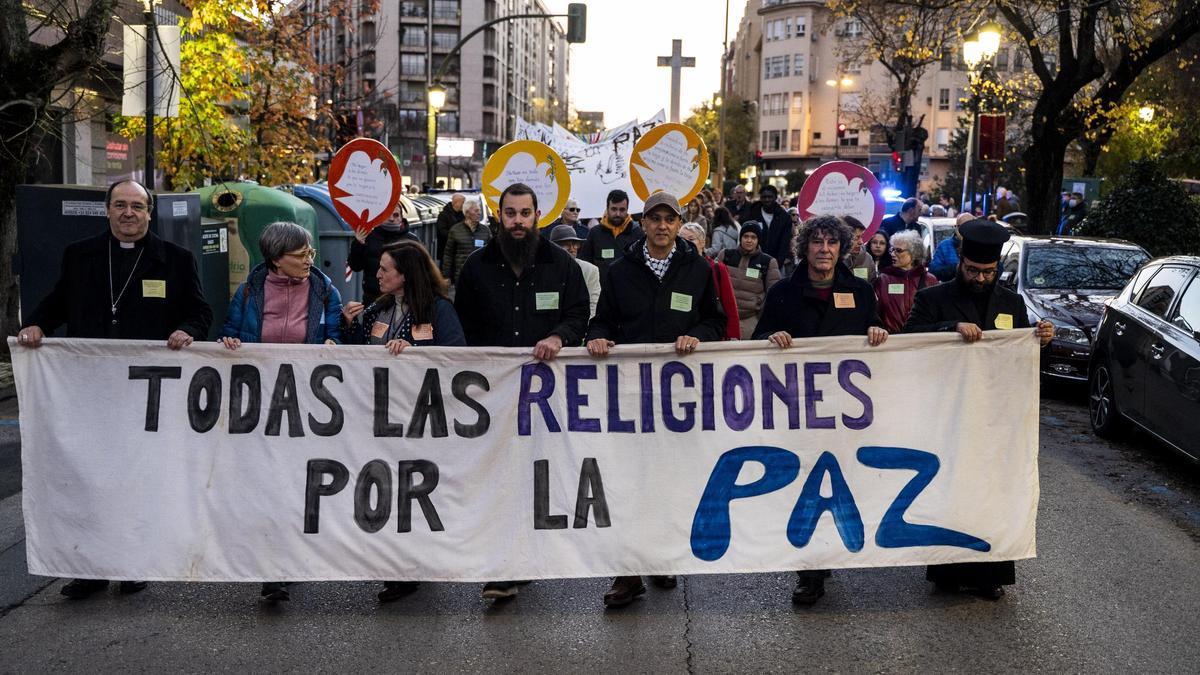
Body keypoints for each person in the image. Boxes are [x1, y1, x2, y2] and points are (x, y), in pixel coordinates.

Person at [17, 179, 213, 600]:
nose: (129, 213)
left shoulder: (175, 260)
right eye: (121, 205)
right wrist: (35, 325)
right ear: (108, 211)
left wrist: (186, 330)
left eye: (137, 207)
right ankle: (90, 569)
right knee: (91, 480)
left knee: (139, 480)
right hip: (92, 393)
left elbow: (199, 311)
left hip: (148, 396)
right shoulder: (81, 255)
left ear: (149, 212)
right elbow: (57, 303)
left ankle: (134, 563)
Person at [586, 192, 726, 608]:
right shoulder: (619, 271)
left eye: (670, 219)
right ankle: (628, 574)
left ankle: (662, 556)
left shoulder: (697, 269)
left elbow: (715, 320)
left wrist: (697, 334)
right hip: (628, 394)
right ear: (641, 223)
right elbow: (602, 319)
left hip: (677, 397)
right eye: (654, 218)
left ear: (679, 223)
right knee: (628, 482)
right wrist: (597, 336)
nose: (662, 226)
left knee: (668, 480)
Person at [903, 219, 1053, 600]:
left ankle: (991, 575)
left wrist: (1041, 338)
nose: (981, 279)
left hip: (995, 416)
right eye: (973, 271)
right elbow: (909, 340)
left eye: (988, 272)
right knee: (951, 491)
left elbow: (1022, 351)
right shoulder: (932, 298)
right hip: (948, 415)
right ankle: (948, 572)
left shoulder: (1011, 302)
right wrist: (950, 328)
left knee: (992, 493)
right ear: (960, 264)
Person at [454, 183, 590, 600]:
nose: (517, 222)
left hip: (545, 395)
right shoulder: (477, 266)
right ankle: (503, 563)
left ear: (537, 215)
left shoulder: (561, 265)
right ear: (499, 216)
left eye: (525, 213)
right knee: (496, 475)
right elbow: (462, 325)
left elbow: (578, 313)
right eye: (510, 214)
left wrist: (558, 337)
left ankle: (531, 555)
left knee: (540, 474)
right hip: (491, 394)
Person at [751, 214, 888, 606]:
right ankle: (809, 570)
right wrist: (768, 338)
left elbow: (873, 330)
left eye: (831, 243)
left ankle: (833, 550)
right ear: (804, 247)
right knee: (806, 487)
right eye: (817, 242)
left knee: (844, 482)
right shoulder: (781, 293)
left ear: (842, 248)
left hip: (845, 413)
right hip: (798, 410)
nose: (824, 249)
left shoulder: (861, 292)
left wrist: (877, 332)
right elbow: (758, 338)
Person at [219, 221, 343, 604]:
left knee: (297, 483)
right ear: (275, 259)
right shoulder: (250, 291)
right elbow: (231, 330)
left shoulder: (325, 291)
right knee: (267, 484)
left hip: (308, 404)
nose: (310, 259)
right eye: (300, 254)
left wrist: (332, 344)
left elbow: (338, 336)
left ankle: (287, 562)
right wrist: (230, 342)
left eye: (310, 251)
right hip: (260, 404)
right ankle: (271, 566)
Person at [341, 242, 465, 603]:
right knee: (391, 489)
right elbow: (360, 357)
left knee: (417, 490)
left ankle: (414, 563)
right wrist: (348, 327)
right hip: (383, 416)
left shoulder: (438, 310)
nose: (377, 275)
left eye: (384, 269)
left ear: (405, 275)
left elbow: (456, 353)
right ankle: (398, 564)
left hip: (421, 417)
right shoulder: (379, 308)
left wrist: (417, 354)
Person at [348, 203, 421, 305]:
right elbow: (355, 266)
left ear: (401, 217)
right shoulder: (369, 237)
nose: (391, 219)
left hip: (403, 301)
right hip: (374, 299)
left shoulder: (411, 240)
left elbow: (419, 273)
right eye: (387, 214)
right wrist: (358, 244)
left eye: (396, 215)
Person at [680, 222, 740, 340]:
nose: (686, 243)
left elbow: (729, 306)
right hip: (683, 336)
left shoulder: (717, 268)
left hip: (710, 334)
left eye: (691, 239)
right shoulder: (676, 269)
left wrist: (733, 337)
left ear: (702, 243)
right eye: (681, 239)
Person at [721, 221, 781, 339]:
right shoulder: (726, 255)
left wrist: (762, 316)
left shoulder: (767, 262)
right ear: (740, 238)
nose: (749, 240)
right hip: (724, 319)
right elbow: (714, 285)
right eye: (746, 236)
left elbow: (774, 293)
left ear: (758, 240)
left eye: (753, 237)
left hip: (751, 320)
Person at [874, 230, 938, 333]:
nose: (893, 254)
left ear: (914, 253)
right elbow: (875, 313)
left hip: (921, 341)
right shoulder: (883, 279)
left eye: (898, 250)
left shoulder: (929, 280)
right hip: (891, 342)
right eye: (892, 250)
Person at [579, 189, 642, 282]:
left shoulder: (637, 233)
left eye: (622, 210)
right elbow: (585, 263)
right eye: (614, 209)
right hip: (601, 291)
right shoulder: (595, 233)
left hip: (629, 290)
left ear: (627, 210)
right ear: (607, 208)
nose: (618, 214)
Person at [549, 223, 601, 318]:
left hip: (581, 326)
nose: (572, 249)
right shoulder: (544, 270)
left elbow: (593, 304)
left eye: (575, 244)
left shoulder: (590, 270)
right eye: (566, 244)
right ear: (554, 247)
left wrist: (583, 328)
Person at [737, 185, 792, 270]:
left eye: (770, 197)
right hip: (753, 262)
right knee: (753, 281)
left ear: (775, 198)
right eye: (764, 197)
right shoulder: (752, 214)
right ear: (760, 198)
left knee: (773, 282)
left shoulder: (784, 217)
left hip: (776, 263)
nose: (767, 200)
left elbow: (784, 243)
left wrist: (777, 264)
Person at [440, 197, 490, 285]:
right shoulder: (455, 230)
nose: (479, 213)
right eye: (476, 211)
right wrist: (446, 276)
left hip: (480, 276)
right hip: (461, 276)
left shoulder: (485, 230)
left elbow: (492, 252)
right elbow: (448, 255)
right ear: (467, 213)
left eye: (479, 211)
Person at [930, 213, 973, 281]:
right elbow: (933, 271)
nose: (964, 230)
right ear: (956, 227)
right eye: (961, 226)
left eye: (969, 227)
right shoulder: (944, 246)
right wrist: (955, 268)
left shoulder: (978, 246)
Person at [840, 216, 877, 282]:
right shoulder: (832, 259)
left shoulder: (868, 258)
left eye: (861, 237)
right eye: (856, 238)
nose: (861, 242)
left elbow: (872, 286)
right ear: (844, 237)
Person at [434, 193, 465, 262]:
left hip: (460, 251)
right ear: (456, 203)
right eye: (463, 202)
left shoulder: (463, 215)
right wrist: (457, 236)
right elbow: (442, 231)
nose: (464, 204)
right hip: (446, 251)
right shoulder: (443, 215)